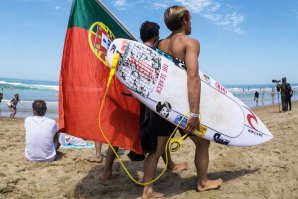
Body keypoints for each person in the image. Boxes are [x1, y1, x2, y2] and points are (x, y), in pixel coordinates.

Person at [142, 6, 222, 199]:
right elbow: (192, 77)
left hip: (161, 106)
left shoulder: (159, 44)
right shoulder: (190, 43)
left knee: (156, 149)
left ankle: (147, 191)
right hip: (181, 107)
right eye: (191, 19)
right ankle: (202, 183)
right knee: (203, 143)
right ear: (185, 19)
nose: (191, 23)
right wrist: (194, 113)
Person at [100, 21, 188, 181]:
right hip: (146, 104)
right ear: (155, 36)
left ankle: (107, 172)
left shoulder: (131, 52)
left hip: (128, 101)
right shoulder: (155, 55)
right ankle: (169, 166)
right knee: (162, 135)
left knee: (119, 136)